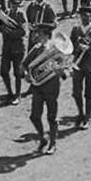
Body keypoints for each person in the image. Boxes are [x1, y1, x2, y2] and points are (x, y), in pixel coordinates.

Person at [22, 24, 62, 154]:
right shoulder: (36, 48)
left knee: (52, 116)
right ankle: (42, 138)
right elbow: (23, 65)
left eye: (38, 33)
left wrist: (59, 70)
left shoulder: (56, 48)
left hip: (51, 87)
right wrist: (26, 75)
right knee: (34, 116)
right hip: (37, 87)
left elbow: (64, 69)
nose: (36, 35)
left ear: (46, 34)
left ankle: (53, 143)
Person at [69, 5, 91, 127]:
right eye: (82, 15)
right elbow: (70, 47)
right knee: (76, 92)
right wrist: (74, 49)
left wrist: (88, 49)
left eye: (87, 15)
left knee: (89, 93)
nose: (84, 17)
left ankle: (87, 118)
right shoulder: (76, 29)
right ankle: (81, 114)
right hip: (78, 64)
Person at [0, 0, 28, 105]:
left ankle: (18, 95)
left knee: (18, 73)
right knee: (4, 71)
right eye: (12, 3)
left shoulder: (21, 14)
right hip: (6, 47)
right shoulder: (6, 12)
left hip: (18, 48)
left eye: (16, 3)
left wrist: (10, 33)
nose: (13, 5)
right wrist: (2, 29)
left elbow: (23, 31)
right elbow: (0, 26)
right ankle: (10, 92)